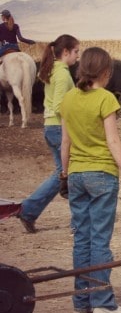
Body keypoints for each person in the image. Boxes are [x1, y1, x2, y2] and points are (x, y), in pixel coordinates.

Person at [60, 47, 121, 313]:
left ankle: (82, 301)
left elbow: (65, 142)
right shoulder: (105, 98)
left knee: (81, 239)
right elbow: (113, 141)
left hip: (76, 175)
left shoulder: (68, 99)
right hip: (102, 175)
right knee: (100, 241)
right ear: (105, 72)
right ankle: (103, 303)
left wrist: (63, 174)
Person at [16, 34, 79, 233]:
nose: (78, 56)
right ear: (66, 52)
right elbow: (61, 105)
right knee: (71, 173)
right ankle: (78, 221)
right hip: (60, 129)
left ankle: (29, 210)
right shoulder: (62, 74)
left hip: (51, 127)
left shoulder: (53, 71)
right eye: (76, 52)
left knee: (61, 174)